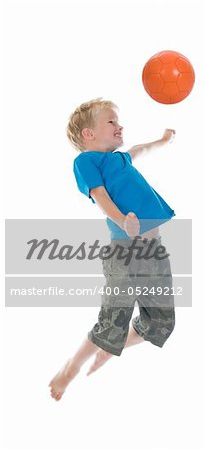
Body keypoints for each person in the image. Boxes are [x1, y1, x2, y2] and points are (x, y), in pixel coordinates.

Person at [49, 97, 176, 401]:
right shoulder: (86, 162)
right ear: (88, 135)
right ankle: (71, 367)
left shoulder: (121, 159)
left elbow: (140, 150)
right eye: (111, 122)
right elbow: (100, 195)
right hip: (124, 252)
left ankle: (111, 346)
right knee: (111, 321)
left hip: (154, 252)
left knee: (161, 322)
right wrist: (122, 219)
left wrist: (162, 140)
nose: (119, 126)